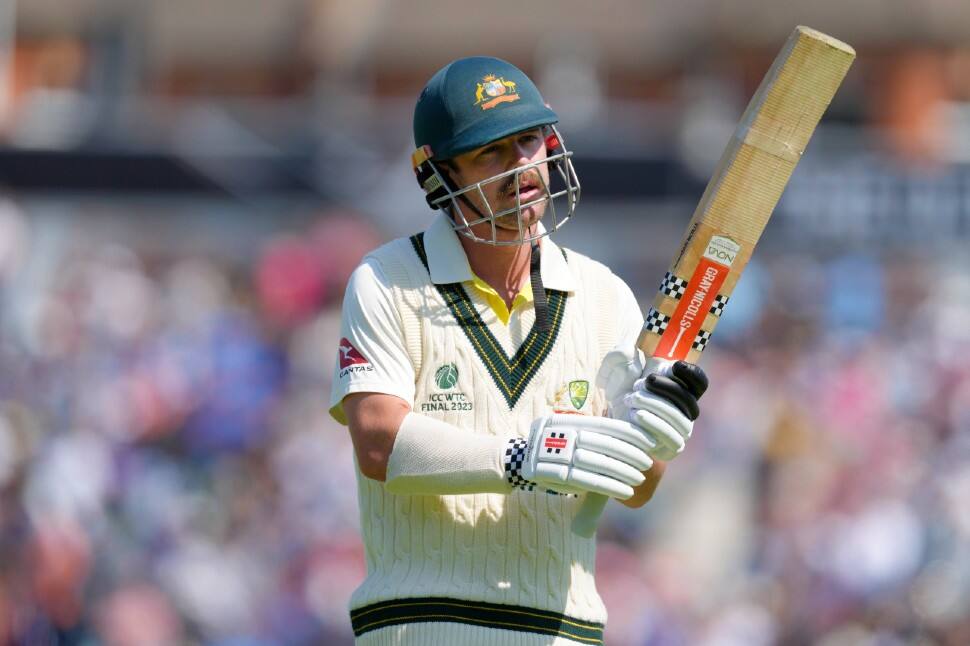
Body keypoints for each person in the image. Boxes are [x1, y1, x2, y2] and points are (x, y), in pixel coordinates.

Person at [329, 56, 708, 646]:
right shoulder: (387, 280)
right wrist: (521, 458)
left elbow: (636, 487)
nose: (522, 169)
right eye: (490, 154)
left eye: (528, 142)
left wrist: (655, 438)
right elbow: (378, 441)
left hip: (560, 630)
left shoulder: (604, 296)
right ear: (440, 176)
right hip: (424, 626)